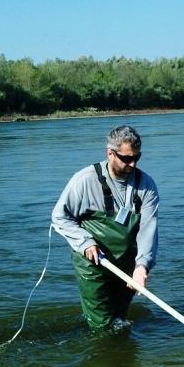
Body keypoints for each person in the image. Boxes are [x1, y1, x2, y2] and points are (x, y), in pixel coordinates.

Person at [52, 125, 160, 329]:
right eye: (127, 158)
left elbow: (148, 228)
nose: (133, 163)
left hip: (128, 261)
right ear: (110, 153)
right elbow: (60, 216)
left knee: (120, 319)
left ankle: (122, 356)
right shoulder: (84, 180)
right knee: (102, 325)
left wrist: (141, 267)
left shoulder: (146, 185)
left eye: (137, 157)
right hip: (93, 263)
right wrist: (85, 242)